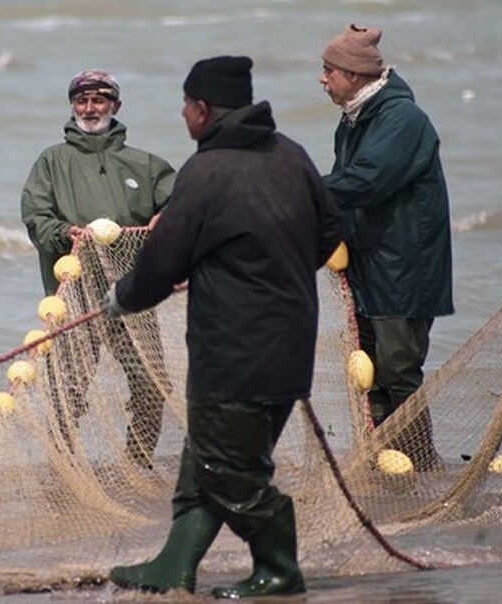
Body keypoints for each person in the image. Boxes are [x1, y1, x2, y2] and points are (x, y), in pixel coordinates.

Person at [105, 56, 343, 598]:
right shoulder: (293, 156)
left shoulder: (205, 172)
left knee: (227, 469)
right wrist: (273, 270)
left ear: (203, 110)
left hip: (233, 351)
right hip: (291, 342)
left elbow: (163, 262)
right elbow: (331, 228)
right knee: (209, 458)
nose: (183, 114)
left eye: (186, 105)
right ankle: (173, 565)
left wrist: (123, 297)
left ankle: (281, 570)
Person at [20, 69, 175, 467]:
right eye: (81, 100)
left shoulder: (145, 164)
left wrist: (168, 219)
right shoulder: (51, 162)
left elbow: (183, 202)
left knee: (151, 383)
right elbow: (36, 216)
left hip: (132, 291)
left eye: (99, 100)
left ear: (115, 106)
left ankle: (136, 464)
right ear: (72, 106)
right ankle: (62, 471)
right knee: (67, 388)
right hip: (74, 293)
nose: (90, 108)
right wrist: (63, 231)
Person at [318, 24, 454, 470]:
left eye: (328, 71)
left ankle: (420, 464)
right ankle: (384, 464)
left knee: (398, 372)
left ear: (355, 75)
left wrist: (301, 189)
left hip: (403, 270)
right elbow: (347, 189)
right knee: (368, 373)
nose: (322, 80)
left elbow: (368, 180)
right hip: (368, 264)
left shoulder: (402, 119)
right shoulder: (355, 118)